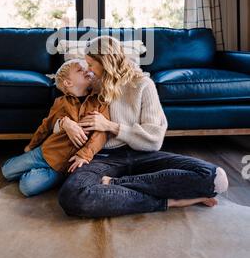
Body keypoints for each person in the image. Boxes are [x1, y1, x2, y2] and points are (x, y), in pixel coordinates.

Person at [57, 36, 229, 218]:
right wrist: (64, 123)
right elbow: (62, 105)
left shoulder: (143, 85)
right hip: (103, 158)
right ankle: (169, 201)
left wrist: (111, 126)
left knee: (214, 177)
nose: (88, 70)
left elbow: (154, 141)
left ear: (105, 61)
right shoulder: (92, 85)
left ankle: (116, 184)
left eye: (91, 64)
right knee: (72, 197)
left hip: (143, 155)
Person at [1, 59, 109, 197]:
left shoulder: (100, 102)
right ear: (68, 83)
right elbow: (46, 125)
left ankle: (40, 173)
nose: (87, 71)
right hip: (46, 152)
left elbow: (101, 134)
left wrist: (85, 155)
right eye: (80, 70)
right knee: (6, 171)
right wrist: (31, 145)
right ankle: (32, 166)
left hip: (63, 167)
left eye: (87, 68)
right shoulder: (60, 102)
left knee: (27, 187)